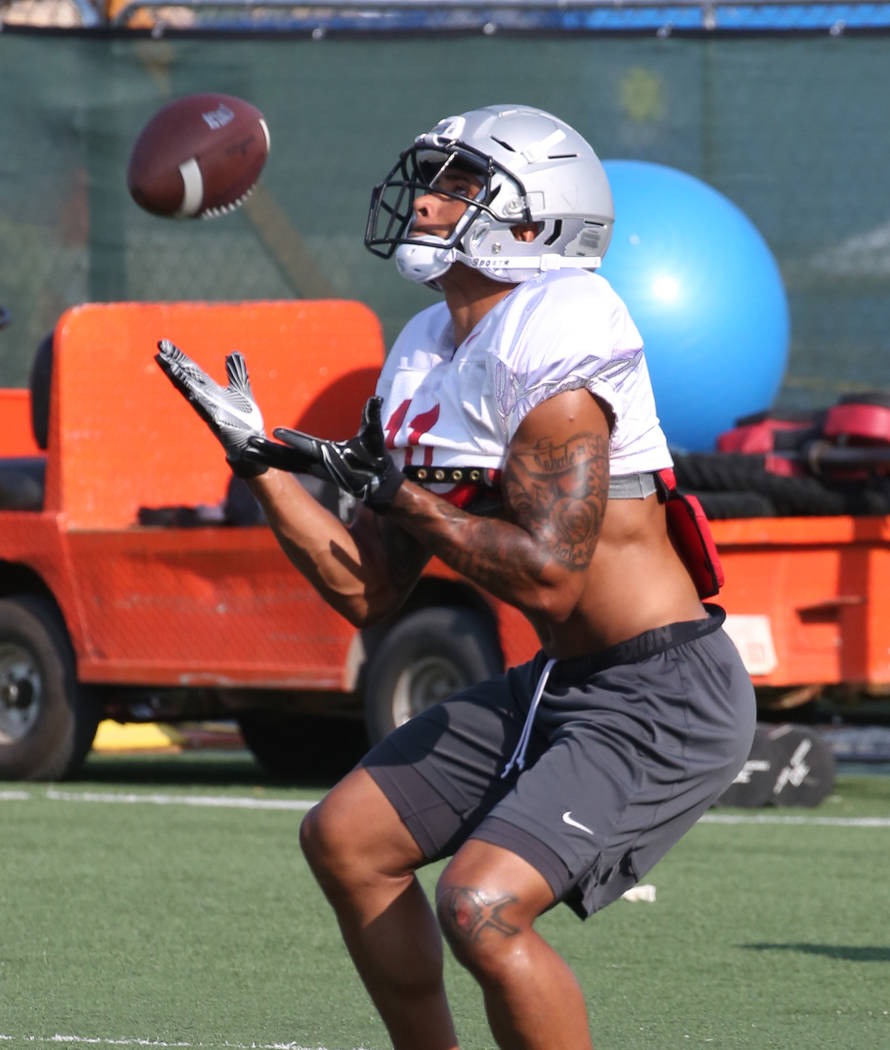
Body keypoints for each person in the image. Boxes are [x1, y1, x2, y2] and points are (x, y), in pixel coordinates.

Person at [156, 104, 756, 1050]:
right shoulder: (425, 350)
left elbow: (554, 575)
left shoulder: (564, 323)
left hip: (662, 691)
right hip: (562, 682)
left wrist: (408, 498)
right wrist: (260, 464)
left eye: (460, 185)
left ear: (533, 223)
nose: (429, 203)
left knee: (480, 904)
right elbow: (367, 590)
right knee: (347, 841)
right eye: (433, 180)